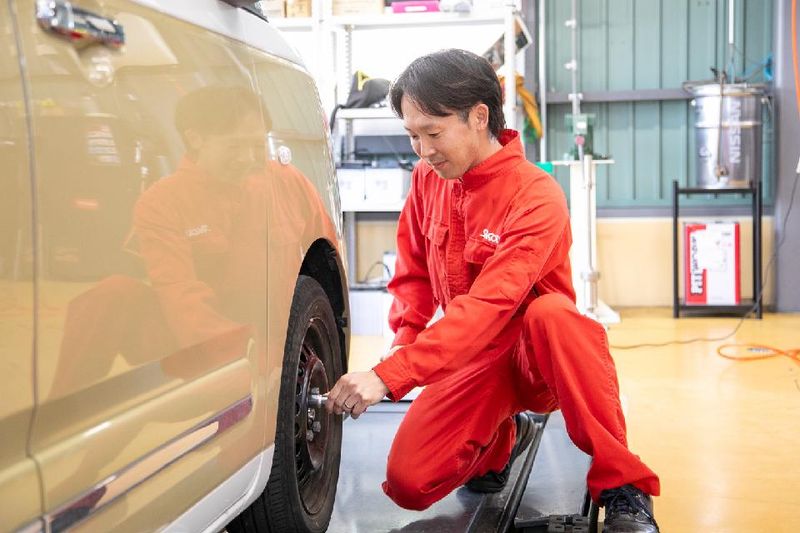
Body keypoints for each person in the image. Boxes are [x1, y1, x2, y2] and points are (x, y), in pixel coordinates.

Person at [324, 49, 660, 532]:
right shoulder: (427, 181)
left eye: (433, 133)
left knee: (554, 314)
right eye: (413, 135)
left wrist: (390, 375)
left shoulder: (536, 195)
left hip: (535, 358)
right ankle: (503, 439)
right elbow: (413, 278)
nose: (422, 150)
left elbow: (490, 305)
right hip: (473, 357)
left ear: (479, 117)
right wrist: (403, 343)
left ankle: (623, 484)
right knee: (409, 482)